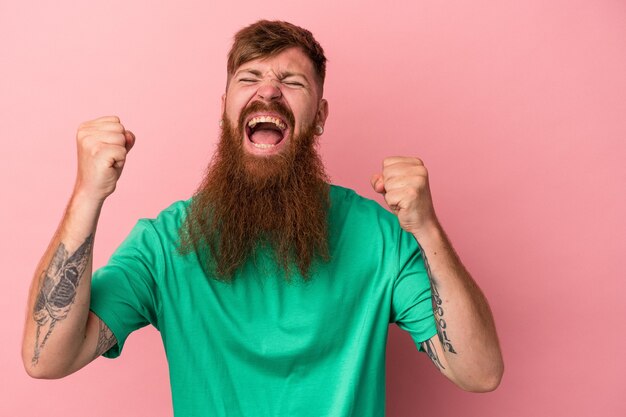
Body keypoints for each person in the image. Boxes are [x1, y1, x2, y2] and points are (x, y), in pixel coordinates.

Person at [22, 20, 503, 416]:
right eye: (248, 78)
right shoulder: (164, 245)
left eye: (292, 82)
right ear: (225, 109)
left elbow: (480, 372)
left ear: (319, 116)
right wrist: (88, 195)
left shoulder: (377, 238)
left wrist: (426, 227)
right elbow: (46, 359)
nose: (269, 91)